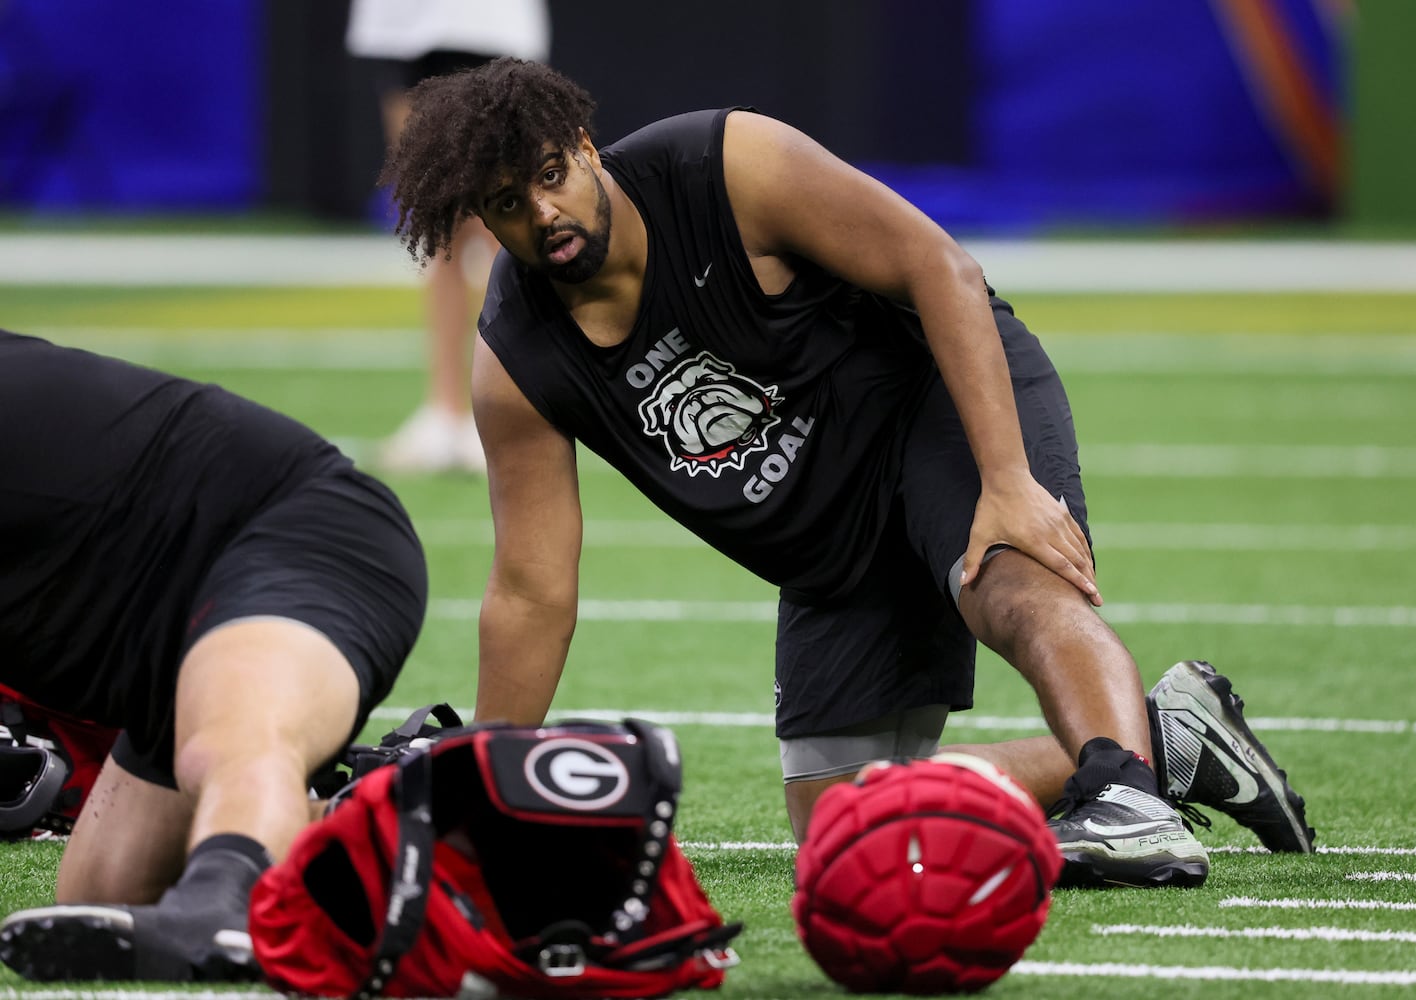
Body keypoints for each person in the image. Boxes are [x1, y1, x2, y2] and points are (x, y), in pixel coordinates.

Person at [380, 59, 1314, 889]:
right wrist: (488, 777)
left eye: (550, 176)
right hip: (830, 540)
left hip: (934, 409)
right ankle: (1169, 742)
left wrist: (1006, 480)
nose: (544, 213)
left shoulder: (720, 164)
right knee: (841, 828)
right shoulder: (516, 360)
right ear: (480, 222)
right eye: (509, 203)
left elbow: (935, 264)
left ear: (585, 148)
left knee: (1008, 581)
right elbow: (533, 589)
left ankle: (1129, 803)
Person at [0, 330, 428, 980]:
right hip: (160, 638)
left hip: (300, 531)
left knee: (226, 754)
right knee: (104, 894)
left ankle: (220, 909)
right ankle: (392, 818)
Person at [346, 0, 550, 473]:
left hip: (484, 27)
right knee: (434, 219)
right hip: (402, 24)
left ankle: (519, 406)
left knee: (500, 222)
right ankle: (444, 411)